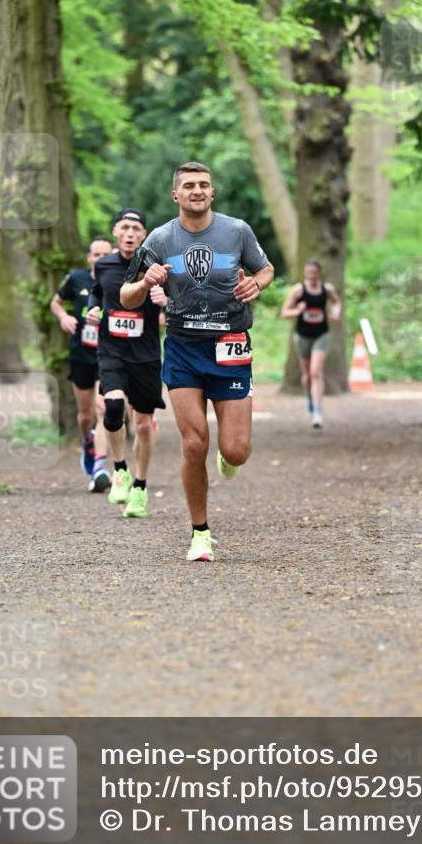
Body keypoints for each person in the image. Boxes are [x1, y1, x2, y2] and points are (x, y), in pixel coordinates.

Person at [120, 161, 274, 562]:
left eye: (204, 185)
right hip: (185, 348)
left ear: (212, 192)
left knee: (237, 450)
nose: (197, 190)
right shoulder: (158, 239)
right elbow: (126, 296)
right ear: (176, 195)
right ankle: (200, 533)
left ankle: (229, 454)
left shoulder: (237, 231)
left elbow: (266, 268)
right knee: (193, 443)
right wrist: (146, 281)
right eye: (188, 185)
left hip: (230, 343)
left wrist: (255, 283)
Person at [86, 208, 166, 518]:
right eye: (125, 227)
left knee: (143, 424)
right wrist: (92, 311)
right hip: (112, 350)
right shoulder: (104, 265)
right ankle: (119, 470)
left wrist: (166, 303)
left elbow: (176, 302)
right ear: (116, 232)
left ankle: (141, 487)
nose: (130, 233)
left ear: (144, 235)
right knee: (113, 407)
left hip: (145, 355)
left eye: (136, 228)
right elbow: (96, 294)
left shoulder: (155, 268)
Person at [50, 236, 113, 490]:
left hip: (108, 354)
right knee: (86, 415)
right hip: (80, 354)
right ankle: (88, 439)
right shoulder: (76, 278)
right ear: (89, 257)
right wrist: (64, 317)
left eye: (105, 255)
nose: (100, 259)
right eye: (96, 255)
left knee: (103, 408)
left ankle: (99, 466)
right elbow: (55, 302)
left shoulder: (119, 279)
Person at [280, 258, 342, 429]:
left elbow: (337, 302)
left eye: (315, 273)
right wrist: (297, 310)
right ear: (305, 273)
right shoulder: (298, 290)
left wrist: (336, 312)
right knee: (307, 375)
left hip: (321, 334)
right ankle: (309, 399)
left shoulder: (326, 289)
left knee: (316, 372)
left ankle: (317, 412)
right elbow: (284, 312)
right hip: (302, 336)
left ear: (319, 273)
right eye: (309, 273)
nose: (312, 276)